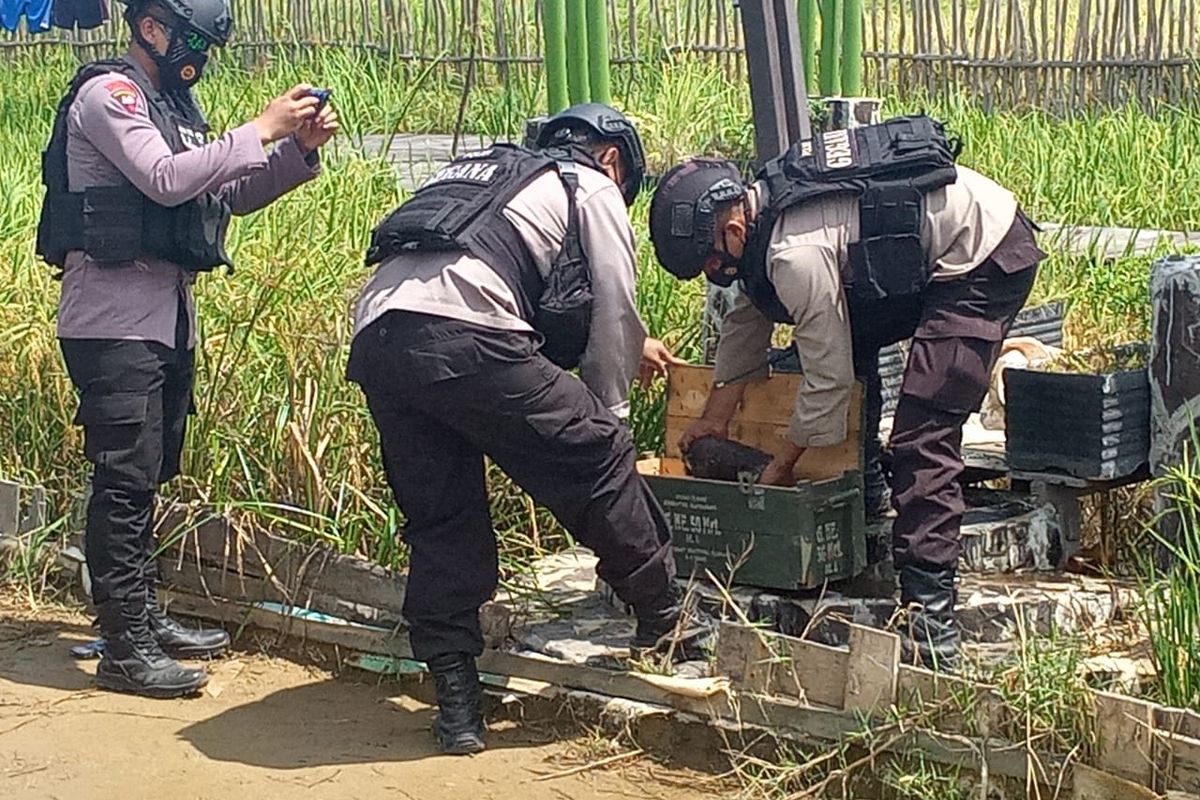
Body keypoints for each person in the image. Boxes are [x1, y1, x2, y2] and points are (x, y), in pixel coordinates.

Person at [348, 103, 710, 755]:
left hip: (381, 339)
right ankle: (668, 625)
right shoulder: (590, 182)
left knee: (442, 517)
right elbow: (611, 306)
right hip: (470, 336)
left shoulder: (484, 173)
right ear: (611, 159)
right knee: (598, 453)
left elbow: (480, 280)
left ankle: (458, 706)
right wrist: (608, 415)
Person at [647, 116, 1046, 670]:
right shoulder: (764, 211)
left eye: (713, 264)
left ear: (734, 230)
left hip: (980, 254)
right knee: (839, 344)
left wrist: (781, 468)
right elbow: (750, 317)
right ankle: (869, 497)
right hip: (909, 257)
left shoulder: (792, 254)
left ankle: (931, 620)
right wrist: (713, 418)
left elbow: (827, 381)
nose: (717, 274)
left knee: (922, 435)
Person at [36, 0, 338, 698]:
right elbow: (165, 180)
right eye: (191, 37)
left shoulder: (170, 105)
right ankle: (123, 645)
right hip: (111, 320)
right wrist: (260, 126)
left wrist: (298, 150)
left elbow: (225, 193)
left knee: (147, 473)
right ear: (151, 28)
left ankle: (140, 617)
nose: (197, 52)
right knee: (123, 480)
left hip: (163, 315)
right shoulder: (109, 96)